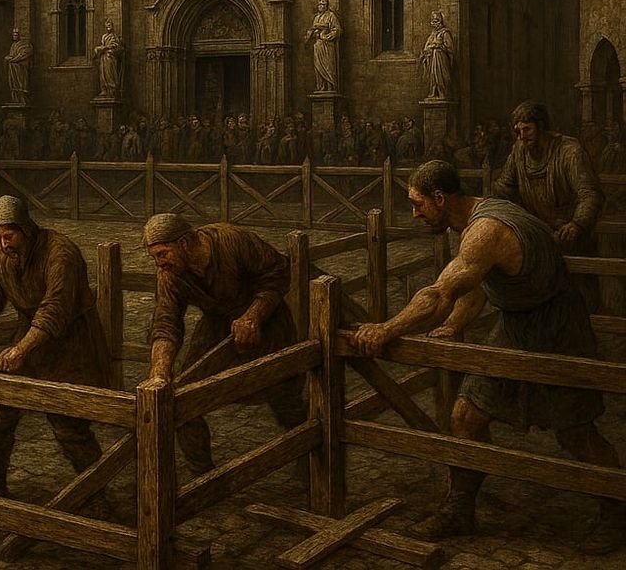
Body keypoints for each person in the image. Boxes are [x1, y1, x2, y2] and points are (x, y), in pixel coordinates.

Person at [351, 160, 623, 555]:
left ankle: (616, 515)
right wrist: (453, 325)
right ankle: (459, 509)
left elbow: (438, 295)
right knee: (466, 415)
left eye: (418, 204)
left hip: (557, 329)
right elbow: (475, 286)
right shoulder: (475, 219)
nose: (414, 214)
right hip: (516, 326)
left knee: (576, 433)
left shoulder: (486, 229)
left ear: (439, 198)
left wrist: (386, 329)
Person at [0, 196, 112, 503]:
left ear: (26, 230)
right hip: (28, 337)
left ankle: (97, 501)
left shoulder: (61, 253)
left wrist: (20, 350)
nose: (3, 244)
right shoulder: (1, 251)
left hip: (70, 344)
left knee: (70, 428)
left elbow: (55, 310)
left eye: (9, 236)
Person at [144, 213, 306, 474]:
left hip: (266, 320)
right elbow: (166, 323)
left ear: (184, 243)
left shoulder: (232, 240)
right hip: (217, 325)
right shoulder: (169, 275)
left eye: (163, 254)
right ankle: (203, 475)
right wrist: (159, 373)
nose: (159, 263)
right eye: (154, 257)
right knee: (182, 397)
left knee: (284, 395)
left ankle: (308, 457)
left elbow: (277, 273)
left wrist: (253, 316)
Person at [492, 101, 604, 314]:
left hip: (572, 236)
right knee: (542, 301)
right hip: (539, 237)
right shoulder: (519, 151)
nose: (521, 137)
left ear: (542, 126)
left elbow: (590, 194)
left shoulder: (570, 151)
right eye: (518, 131)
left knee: (580, 299)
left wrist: (577, 224)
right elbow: (504, 188)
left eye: (527, 130)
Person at [304, 0, 342, 92]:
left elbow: (337, 30)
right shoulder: (316, 18)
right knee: (318, 66)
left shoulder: (331, 16)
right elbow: (312, 30)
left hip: (328, 46)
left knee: (328, 66)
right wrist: (311, 34)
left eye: (323, 4)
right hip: (318, 45)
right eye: (319, 4)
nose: (320, 6)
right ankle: (321, 86)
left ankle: (330, 86)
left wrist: (326, 36)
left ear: (326, 5)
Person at [419, 11, 455, 99]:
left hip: (441, 60)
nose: (435, 24)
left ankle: (443, 93)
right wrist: (427, 50)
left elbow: (450, 48)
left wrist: (439, 46)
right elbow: (427, 46)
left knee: (441, 76)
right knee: (433, 76)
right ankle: (434, 93)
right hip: (432, 61)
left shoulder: (445, 33)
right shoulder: (432, 35)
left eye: (437, 21)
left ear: (441, 21)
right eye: (433, 22)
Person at [93, 19, 124, 99]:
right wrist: (99, 49)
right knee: (103, 73)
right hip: (103, 57)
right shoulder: (104, 36)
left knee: (110, 72)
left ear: (112, 26)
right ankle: (104, 89)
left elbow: (115, 46)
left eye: (109, 26)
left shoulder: (114, 36)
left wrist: (103, 48)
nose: (108, 28)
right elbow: (103, 45)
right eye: (107, 26)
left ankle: (112, 89)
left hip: (110, 57)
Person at [5, 28, 33, 106]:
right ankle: (15, 99)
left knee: (21, 83)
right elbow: (12, 55)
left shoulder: (25, 45)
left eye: (16, 35)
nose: (14, 36)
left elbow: (23, 55)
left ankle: (22, 99)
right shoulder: (13, 45)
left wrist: (13, 59)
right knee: (13, 84)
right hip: (12, 69)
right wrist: (9, 58)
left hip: (20, 69)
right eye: (13, 35)